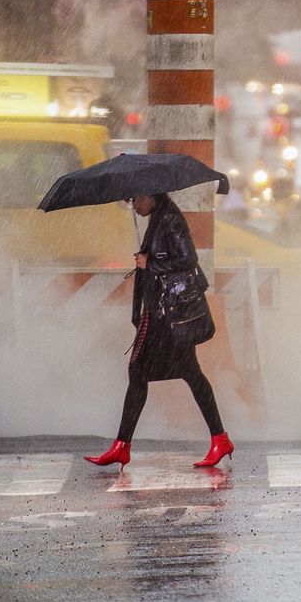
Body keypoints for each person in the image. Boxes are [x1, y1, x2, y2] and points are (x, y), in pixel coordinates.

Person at [83, 192, 234, 469]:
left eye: (135, 200)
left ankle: (122, 447)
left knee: (145, 373)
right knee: (180, 373)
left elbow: (188, 259)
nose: (133, 205)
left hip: (168, 315)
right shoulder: (158, 217)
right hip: (162, 313)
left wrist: (150, 263)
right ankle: (218, 439)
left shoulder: (170, 219)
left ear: (150, 196)